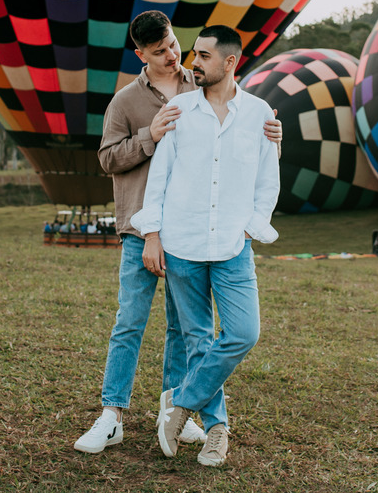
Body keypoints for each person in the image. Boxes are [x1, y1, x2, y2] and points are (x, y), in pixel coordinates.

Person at [73, 12, 281, 454]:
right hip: (140, 229)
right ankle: (112, 415)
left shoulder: (200, 84)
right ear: (140, 55)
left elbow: (242, 140)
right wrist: (149, 135)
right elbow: (108, 159)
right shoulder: (126, 102)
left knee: (183, 329)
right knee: (129, 322)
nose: (172, 56)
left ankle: (176, 408)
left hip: (193, 232)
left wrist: (273, 136)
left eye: (173, 45)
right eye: (159, 51)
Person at [132, 25, 280, 467]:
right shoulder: (179, 109)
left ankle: (181, 405)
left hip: (234, 246)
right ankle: (217, 430)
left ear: (231, 62)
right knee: (197, 340)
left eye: (205, 57)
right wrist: (153, 234)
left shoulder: (259, 116)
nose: (193, 63)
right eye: (194, 54)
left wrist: (253, 226)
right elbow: (158, 179)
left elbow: (267, 179)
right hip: (183, 243)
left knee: (242, 333)